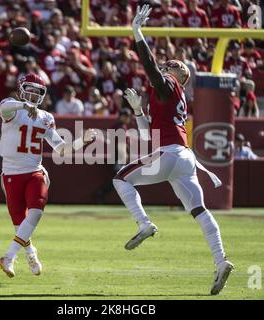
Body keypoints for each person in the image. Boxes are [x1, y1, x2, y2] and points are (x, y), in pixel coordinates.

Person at [113, 5, 233, 296]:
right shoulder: (168, 96)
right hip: (182, 158)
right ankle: (221, 261)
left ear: (182, 75)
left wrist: (137, 32)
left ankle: (144, 224)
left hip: (172, 154)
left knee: (120, 178)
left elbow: (151, 68)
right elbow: (149, 136)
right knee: (199, 210)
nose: (169, 64)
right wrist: (140, 112)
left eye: (175, 64)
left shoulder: (168, 84)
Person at [0, 73, 96, 277]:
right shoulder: (12, 106)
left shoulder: (46, 117)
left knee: (35, 213)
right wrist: (24, 106)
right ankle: (31, 252)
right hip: (11, 173)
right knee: (19, 224)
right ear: (21, 89)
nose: (33, 95)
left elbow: (60, 149)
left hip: (34, 171)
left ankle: (8, 256)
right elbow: (3, 109)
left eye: (38, 91)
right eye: (30, 89)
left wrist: (81, 142)